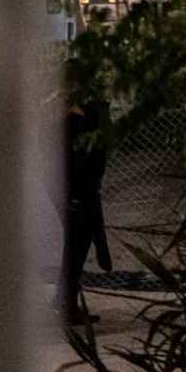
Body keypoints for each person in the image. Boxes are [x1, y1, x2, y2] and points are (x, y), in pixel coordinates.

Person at [58, 100, 113, 325]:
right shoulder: (77, 116)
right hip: (79, 186)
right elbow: (76, 157)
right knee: (78, 241)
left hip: (83, 184)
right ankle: (67, 304)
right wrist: (73, 195)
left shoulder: (86, 111)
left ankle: (67, 301)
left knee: (80, 239)